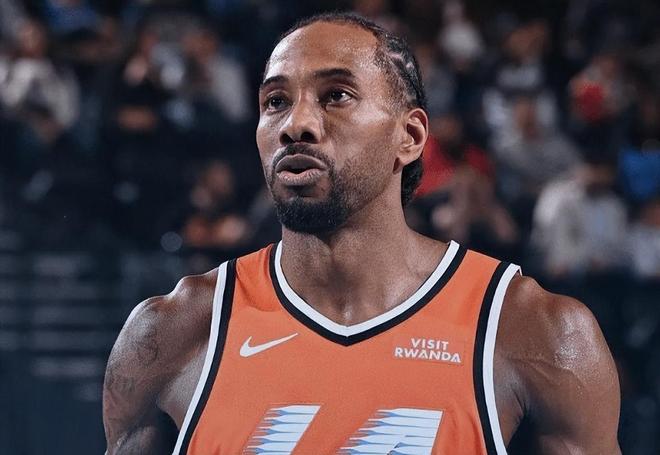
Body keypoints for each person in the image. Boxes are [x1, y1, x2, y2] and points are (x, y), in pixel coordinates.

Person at [103, 13, 621, 454]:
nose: (296, 124)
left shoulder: (532, 331)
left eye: (336, 95)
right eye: (276, 101)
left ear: (410, 136)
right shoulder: (173, 333)